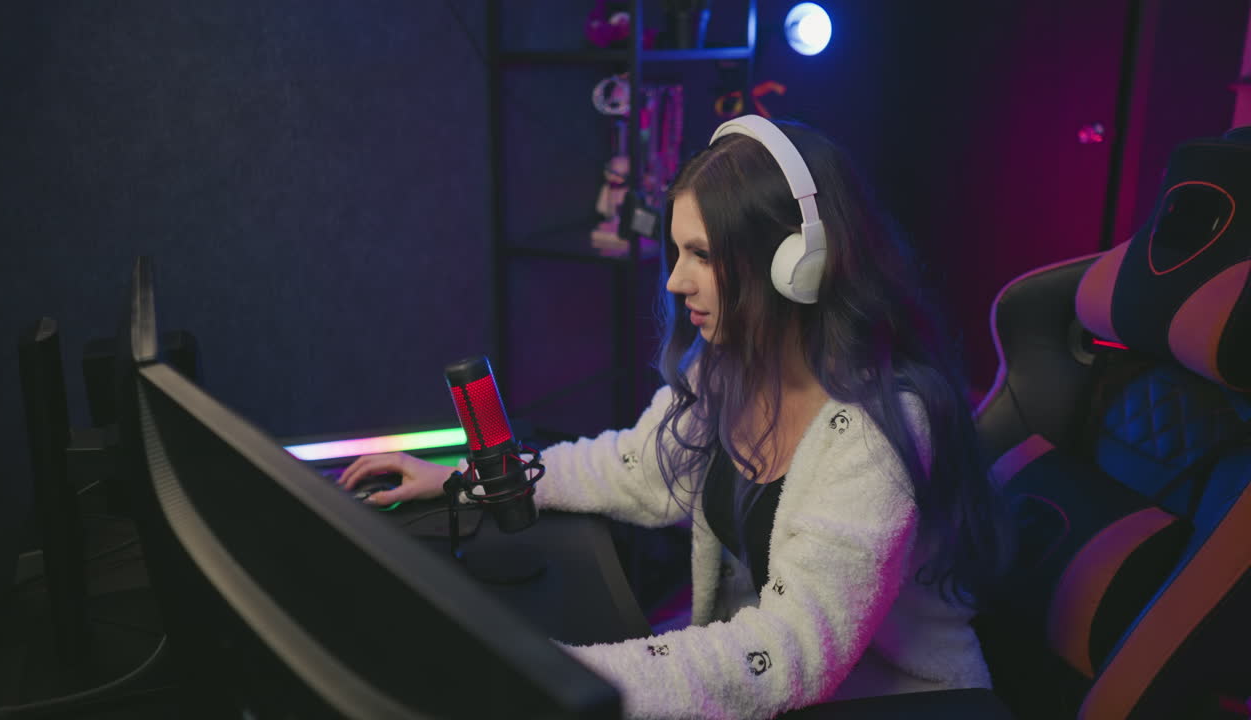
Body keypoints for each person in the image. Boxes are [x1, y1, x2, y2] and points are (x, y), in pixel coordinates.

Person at [338, 115, 1009, 719]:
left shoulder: (880, 430)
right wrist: (466, 478)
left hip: (895, 699)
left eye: (704, 256)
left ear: (796, 264)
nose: (674, 280)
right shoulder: (729, 367)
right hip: (781, 683)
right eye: (678, 250)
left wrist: (553, 674)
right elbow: (638, 468)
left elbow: (790, 652)